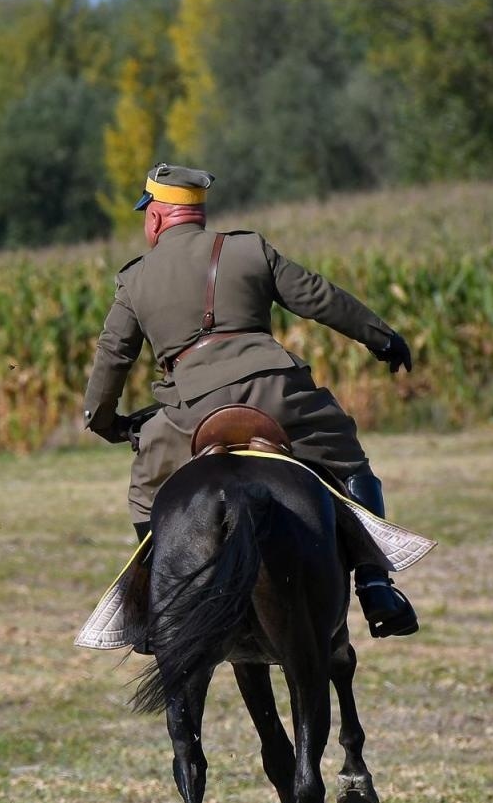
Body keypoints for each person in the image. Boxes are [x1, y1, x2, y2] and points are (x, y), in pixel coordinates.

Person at [82, 163, 418, 638]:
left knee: (145, 493)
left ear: (156, 217)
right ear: (195, 213)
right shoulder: (247, 248)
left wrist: (103, 421)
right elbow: (317, 296)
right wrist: (381, 336)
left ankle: (160, 610)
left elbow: (114, 353)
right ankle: (375, 586)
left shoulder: (136, 279)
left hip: (190, 410)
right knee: (349, 460)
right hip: (277, 394)